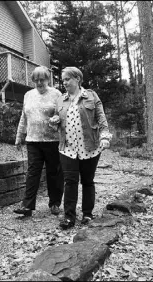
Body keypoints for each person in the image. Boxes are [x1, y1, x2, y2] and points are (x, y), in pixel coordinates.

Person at [49, 66, 112, 229]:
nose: (64, 83)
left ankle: (87, 214)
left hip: (89, 147)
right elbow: (58, 123)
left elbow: (101, 118)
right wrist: (54, 122)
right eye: (63, 80)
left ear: (77, 79)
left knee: (87, 181)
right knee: (70, 182)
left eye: (67, 79)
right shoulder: (61, 100)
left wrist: (105, 137)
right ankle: (69, 217)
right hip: (67, 148)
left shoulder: (91, 96)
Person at [13, 66, 64, 217]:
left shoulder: (56, 94)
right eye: (36, 80)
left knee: (53, 173)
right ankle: (27, 206)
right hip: (33, 140)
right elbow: (24, 116)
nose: (39, 82)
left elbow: (63, 115)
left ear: (48, 79)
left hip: (52, 140)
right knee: (32, 172)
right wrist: (19, 136)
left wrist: (58, 121)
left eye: (42, 79)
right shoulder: (28, 95)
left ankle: (55, 203)